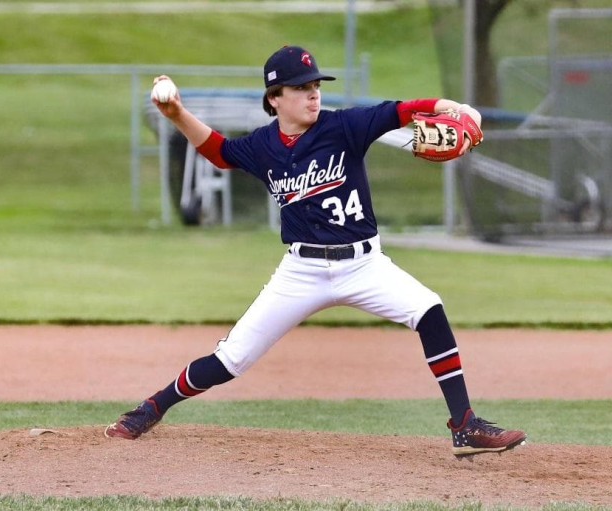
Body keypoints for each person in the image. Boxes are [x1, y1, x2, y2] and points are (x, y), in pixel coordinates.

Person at [104, 45, 526, 457]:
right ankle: (151, 408)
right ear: (274, 98)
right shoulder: (263, 146)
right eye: (301, 86)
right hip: (300, 272)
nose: (313, 93)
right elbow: (219, 152)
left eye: (316, 84)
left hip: (364, 264)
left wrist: (451, 106)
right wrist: (176, 113)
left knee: (429, 310)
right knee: (230, 359)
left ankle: (464, 424)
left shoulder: (344, 126)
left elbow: (401, 109)